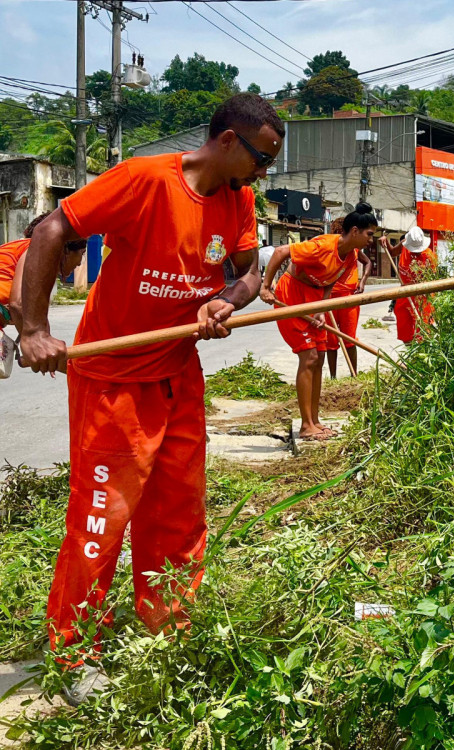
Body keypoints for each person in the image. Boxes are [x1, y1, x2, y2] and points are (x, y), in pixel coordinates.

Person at [18, 93, 284, 705]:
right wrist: (33, 329)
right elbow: (53, 228)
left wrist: (228, 301)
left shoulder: (239, 199)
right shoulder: (144, 180)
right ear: (225, 141)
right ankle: (74, 651)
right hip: (112, 380)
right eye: (261, 159)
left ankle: (170, 638)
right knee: (101, 522)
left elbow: (246, 271)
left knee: (179, 519)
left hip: (178, 374)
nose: (264, 174)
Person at [260, 203, 378, 439]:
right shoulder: (322, 246)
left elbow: (331, 280)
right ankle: (305, 426)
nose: (371, 241)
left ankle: (314, 420)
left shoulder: (351, 255)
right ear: (355, 231)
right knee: (309, 356)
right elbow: (280, 252)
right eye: (369, 234)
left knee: (321, 355)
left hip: (314, 299)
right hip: (291, 295)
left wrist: (321, 309)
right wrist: (265, 286)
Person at [1, 212, 88, 333]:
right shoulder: (34, 250)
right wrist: (38, 340)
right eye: (82, 253)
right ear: (64, 249)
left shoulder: (18, 250)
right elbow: (18, 305)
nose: (79, 263)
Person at [321, 216, 373, 378]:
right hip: (330, 299)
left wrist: (362, 281)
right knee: (330, 341)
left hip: (349, 298)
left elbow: (368, 262)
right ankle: (333, 377)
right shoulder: (329, 248)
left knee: (349, 339)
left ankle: (354, 374)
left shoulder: (354, 250)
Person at [381, 226, 436, 344]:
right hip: (404, 295)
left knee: (422, 332)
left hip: (422, 298)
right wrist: (385, 242)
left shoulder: (429, 257)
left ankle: (422, 356)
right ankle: (411, 356)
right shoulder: (404, 244)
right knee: (405, 331)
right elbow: (392, 252)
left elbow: (432, 282)